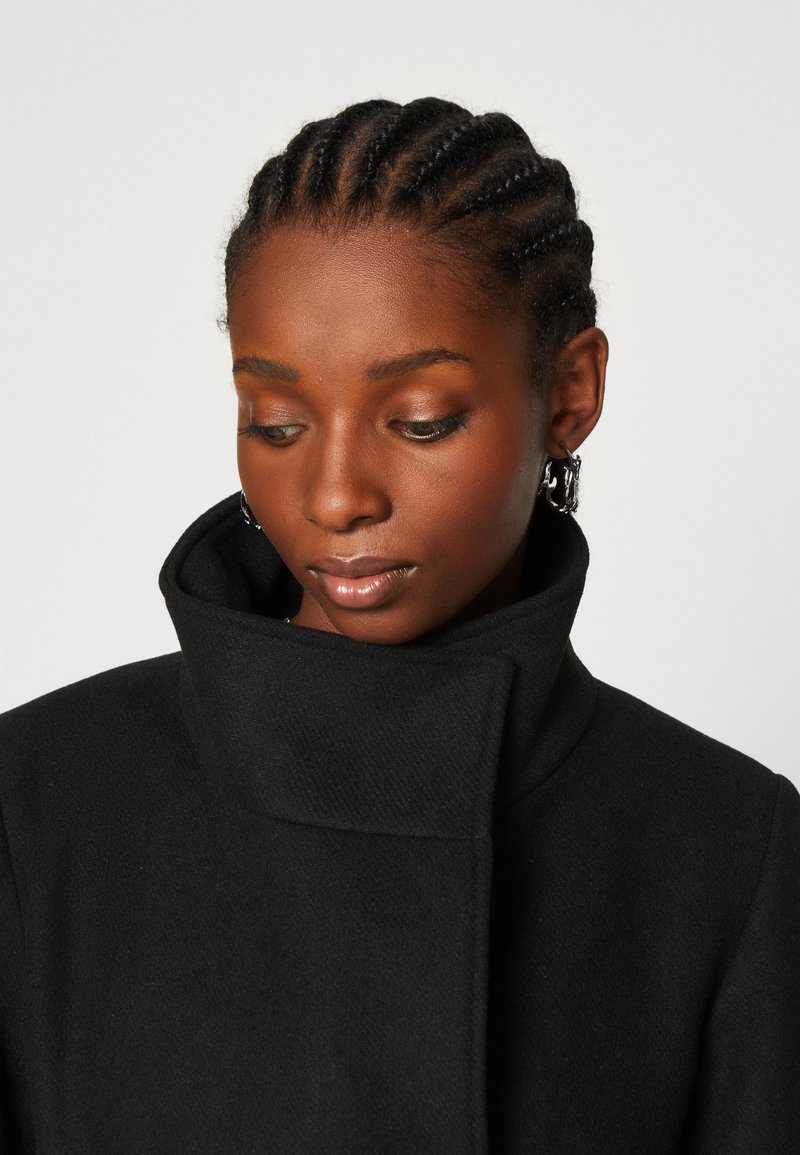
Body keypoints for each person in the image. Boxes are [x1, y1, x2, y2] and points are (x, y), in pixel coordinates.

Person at [0, 96, 797, 1153]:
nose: (335, 497)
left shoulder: (726, 848)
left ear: (568, 393)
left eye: (420, 422)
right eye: (275, 424)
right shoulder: (35, 802)